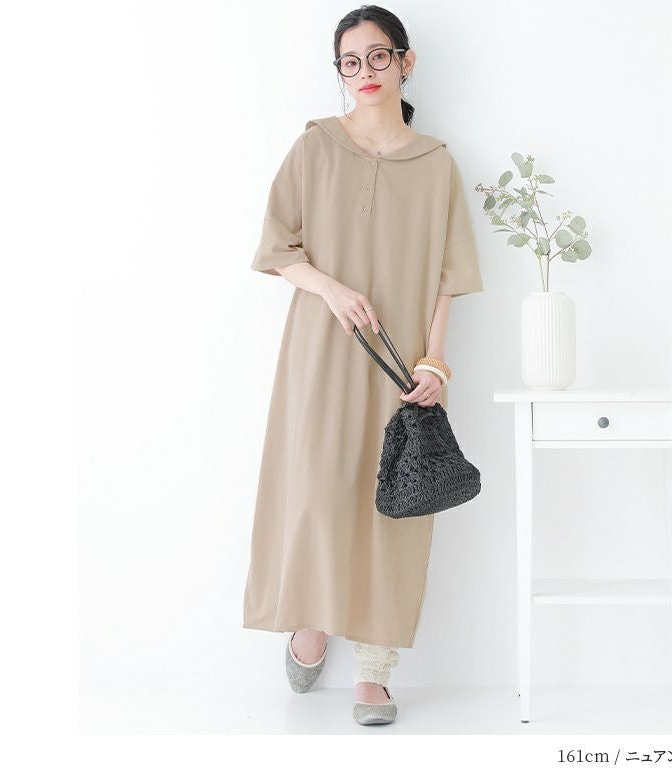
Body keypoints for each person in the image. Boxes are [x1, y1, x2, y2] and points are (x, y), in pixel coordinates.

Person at [243, 5, 483, 726]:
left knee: (393, 505)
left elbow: (448, 279)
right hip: (322, 351)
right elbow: (277, 247)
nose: (365, 73)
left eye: (379, 56)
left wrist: (435, 363)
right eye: (351, 62)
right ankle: (311, 617)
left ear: (406, 62)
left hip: (402, 365)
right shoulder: (315, 146)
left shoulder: (436, 164)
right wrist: (332, 289)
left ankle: (374, 673)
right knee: (317, 489)